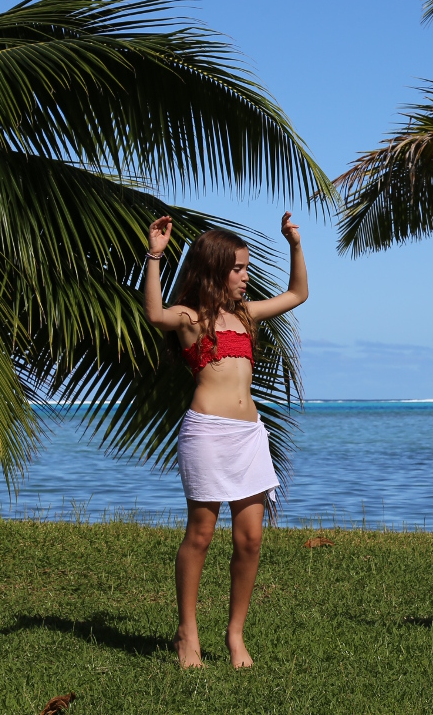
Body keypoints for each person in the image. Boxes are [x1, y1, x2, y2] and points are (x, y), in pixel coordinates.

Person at [144, 212, 307, 669]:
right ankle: (187, 633)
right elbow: (154, 314)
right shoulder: (190, 318)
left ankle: (235, 635)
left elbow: (298, 293)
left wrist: (295, 245)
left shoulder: (245, 315)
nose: (245, 276)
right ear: (214, 270)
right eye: (238, 269)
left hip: (249, 436)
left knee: (250, 539)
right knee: (200, 534)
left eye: (246, 268)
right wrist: (155, 256)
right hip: (207, 435)